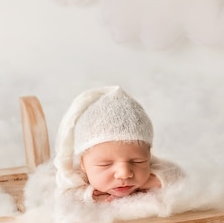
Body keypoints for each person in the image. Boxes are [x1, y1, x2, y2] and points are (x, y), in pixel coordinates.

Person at [53, 86, 184, 203]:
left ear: (148, 156)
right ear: (83, 164)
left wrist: (157, 180)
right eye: (106, 164)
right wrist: (86, 195)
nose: (124, 173)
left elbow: (180, 176)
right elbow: (59, 195)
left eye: (137, 161)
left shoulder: (154, 169)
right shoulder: (75, 176)